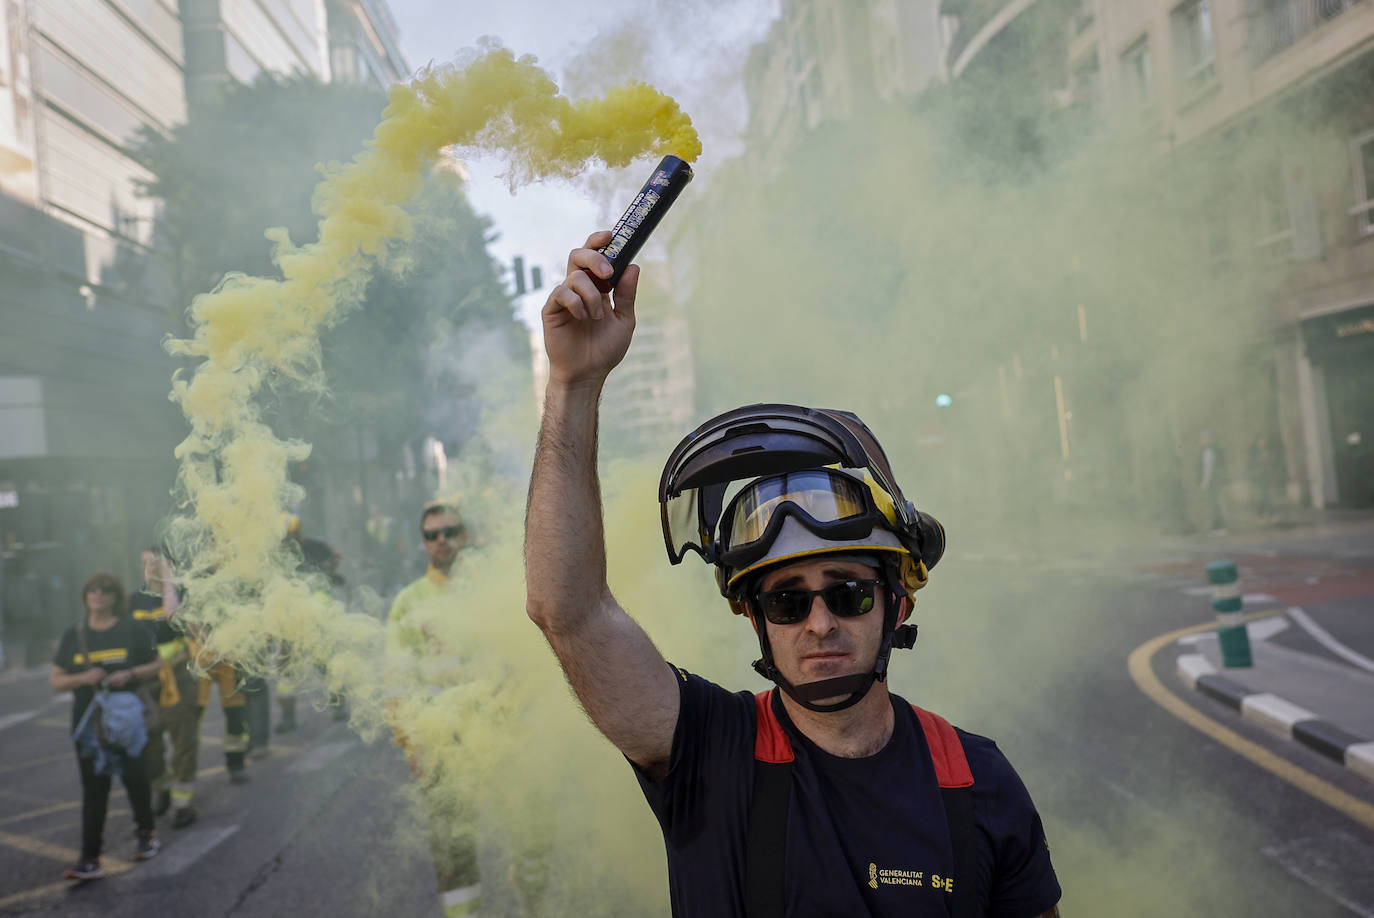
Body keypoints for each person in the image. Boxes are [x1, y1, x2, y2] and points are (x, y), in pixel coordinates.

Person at [524, 233, 1063, 917]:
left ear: (896, 604)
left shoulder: (980, 782)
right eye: (785, 602)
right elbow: (566, 610)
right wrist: (574, 384)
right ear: (752, 617)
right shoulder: (708, 754)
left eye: (848, 592)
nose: (819, 622)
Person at [385, 501, 484, 918]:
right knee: (450, 845)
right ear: (423, 544)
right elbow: (398, 680)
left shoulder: (489, 590)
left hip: (499, 733)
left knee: (531, 829)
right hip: (442, 744)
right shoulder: (409, 602)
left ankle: (534, 901)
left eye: (449, 531)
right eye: (431, 535)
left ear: (465, 535)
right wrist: (412, 744)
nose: (440, 540)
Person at [50, 572, 164, 880]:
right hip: (88, 724)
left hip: (125, 720)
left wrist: (130, 675)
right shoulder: (74, 634)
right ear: (85, 596)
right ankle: (90, 858)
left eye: (105, 591)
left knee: (135, 778)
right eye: (93, 590)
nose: (98, 595)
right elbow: (56, 679)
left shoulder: (131, 629)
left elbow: (158, 664)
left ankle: (147, 834)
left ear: (115, 598)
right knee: (94, 789)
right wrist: (82, 679)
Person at [129, 547, 203, 829]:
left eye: (155, 563)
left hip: (178, 677)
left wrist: (170, 585)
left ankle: (183, 803)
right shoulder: (134, 600)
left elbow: (178, 619)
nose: (149, 568)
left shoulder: (181, 594)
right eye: (144, 563)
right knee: (149, 742)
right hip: (145, 680)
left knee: (184, 739)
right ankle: (160, 787)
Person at [1246, 433, 1284, 524]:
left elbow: (1273, 462)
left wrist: (1270, 461)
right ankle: (1272, 514)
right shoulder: (1253, 453)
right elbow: (1250, 465)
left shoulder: (1268, 451)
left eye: (1264, 440)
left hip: (1267, 476)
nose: (1263, 442)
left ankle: (1259, 514)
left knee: (1263, 495)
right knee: (1266, 494)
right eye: (1261, 440)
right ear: (1257, 442)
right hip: (1258, 477)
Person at [1198, 428, 1228, 535]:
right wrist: (1203, 483)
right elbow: (1204, 469)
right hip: (1209, 483)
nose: (1202, 440)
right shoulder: (1204, 452)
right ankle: (1216, 527)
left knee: (1215, 504)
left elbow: (1212, 469)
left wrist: (1206, 483)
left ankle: (1219, 527)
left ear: (1209, 439)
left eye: (1204, 438)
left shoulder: (1216, 451)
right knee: (1213, 505)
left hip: (1214, 483)